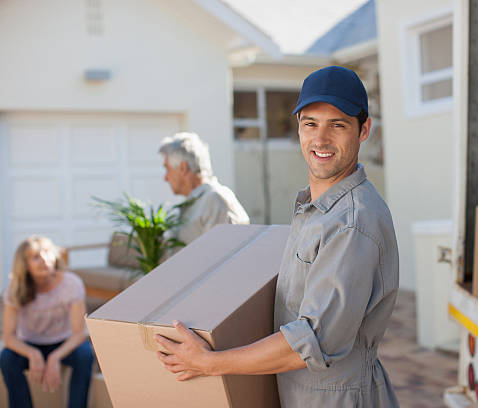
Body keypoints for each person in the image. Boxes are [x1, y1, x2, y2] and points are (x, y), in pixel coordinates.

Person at [155, 66, 400, 407]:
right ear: (298, 126)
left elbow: (312, 339)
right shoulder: (316, 208)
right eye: (310, 123)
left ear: (364, 130)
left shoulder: (352, 223)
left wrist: (209, 363)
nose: (321, 139)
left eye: (338, 125)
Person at [0, 236, 94, 408]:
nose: (44, 259)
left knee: (85, 354)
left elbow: (80, 334)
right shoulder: (15, 287)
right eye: (36, 256)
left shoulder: (71, 283)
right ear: (24, 265)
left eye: (47, 252)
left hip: (64, 343)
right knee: (6, 358)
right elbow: (9, 337)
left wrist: (55, 357)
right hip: (29, 343)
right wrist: (33, 353)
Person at [159, 132, 249, 245]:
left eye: (167, 169)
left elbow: (223, 257)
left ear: (183, 168)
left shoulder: (215, 201)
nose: (165, 178)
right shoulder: (197, 202)